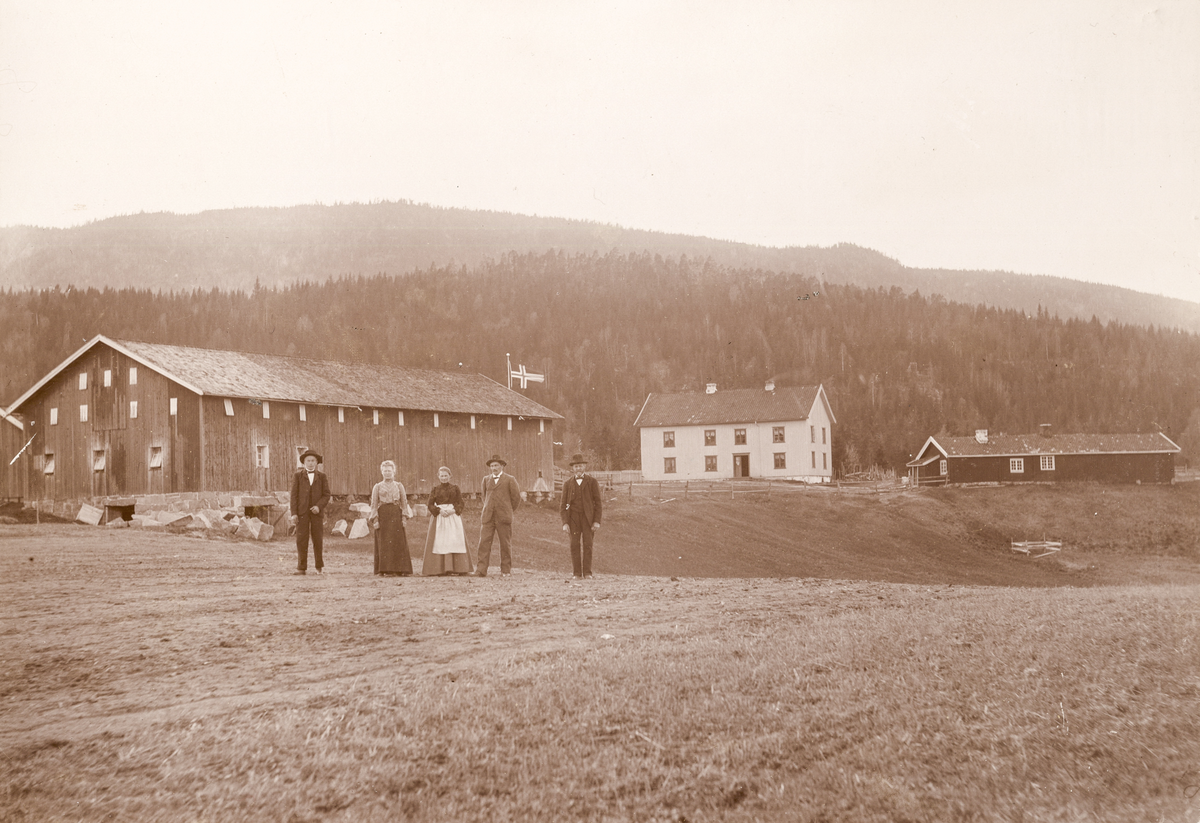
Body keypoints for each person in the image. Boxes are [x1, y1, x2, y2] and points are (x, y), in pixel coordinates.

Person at [473, 454, 522, 577]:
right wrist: (489, 508)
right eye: (492, 466)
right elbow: (484, 497)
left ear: (502, 466)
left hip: (503, 517)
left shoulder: (510, 479)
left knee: (505, 544)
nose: (494, 468)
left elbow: (516, 499)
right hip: (488, 517)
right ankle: (481, 570)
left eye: (496, 465)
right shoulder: (486, 479)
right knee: (483, 543)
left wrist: (507, 510)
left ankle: (505, 571)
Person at [421, 466, 472, 575]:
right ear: (438, 477)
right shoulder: (435, 489)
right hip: (441, 517)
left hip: (452, 516)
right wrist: (439, 511)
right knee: (441, 541)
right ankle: (440, 569)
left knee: (455, 540)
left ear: (450, 476)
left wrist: (453, 511)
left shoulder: (455, 488)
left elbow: (460, 503)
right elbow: (429, 504)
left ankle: (459, 568)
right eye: (442, 476)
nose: (444, 478)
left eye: (446, 476)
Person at [560, 453, 602, 579]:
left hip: (588, 519)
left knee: (588, 544)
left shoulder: (592, 482)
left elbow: (598, 503)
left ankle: (588, 573)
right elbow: (563, 506)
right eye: (576, 466)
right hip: (573, 519)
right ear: (573, 468)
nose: (578, 469)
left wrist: (596, 521)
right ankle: (576, 573)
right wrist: (565, 523)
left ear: (584, 467)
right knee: (574, 544)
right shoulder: (567, 484)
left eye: (580, 466)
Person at [290, 449, 331, 575]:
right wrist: (294, 513)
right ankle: (301, 567)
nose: (311, 463)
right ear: (303, 462)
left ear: (317, 462)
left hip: (316, 514)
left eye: (313, 461)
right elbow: (294, 496)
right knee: (301, 539)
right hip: (301, 513)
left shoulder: (322, 476)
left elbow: (326, 495)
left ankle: (319, 567)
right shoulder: (298, 476)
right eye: (308, 461)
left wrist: (319, 506)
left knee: (317, 539)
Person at [369, 460, 413, 576]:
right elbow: (374, 505)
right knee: (385, 542)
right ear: (381, 472)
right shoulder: (377, 487)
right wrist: (375, 519)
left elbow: (404, 503)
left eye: (389, 471)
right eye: (385, 471)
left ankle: (401, 569)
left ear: (394, 472)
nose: (387, 473)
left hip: (396, 514)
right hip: (383, 515)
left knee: (398, 542)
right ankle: (386, 569)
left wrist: (404, 517)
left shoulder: (399, 486)